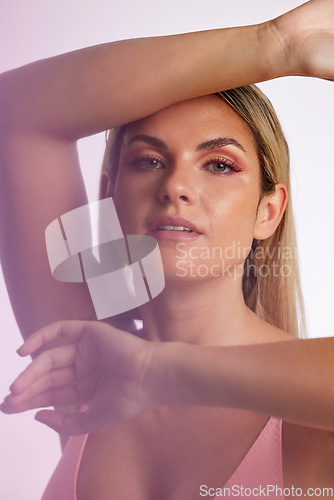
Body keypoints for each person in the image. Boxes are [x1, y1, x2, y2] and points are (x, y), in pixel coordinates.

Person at [1, 0, 334, 498]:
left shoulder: (308, 412)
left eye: (219, 164)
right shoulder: (86, 367)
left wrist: (156, 375)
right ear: (109, 196)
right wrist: (269, 45)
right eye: (149, 161)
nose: (176, 186)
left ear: (268, 212)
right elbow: (15, 112)